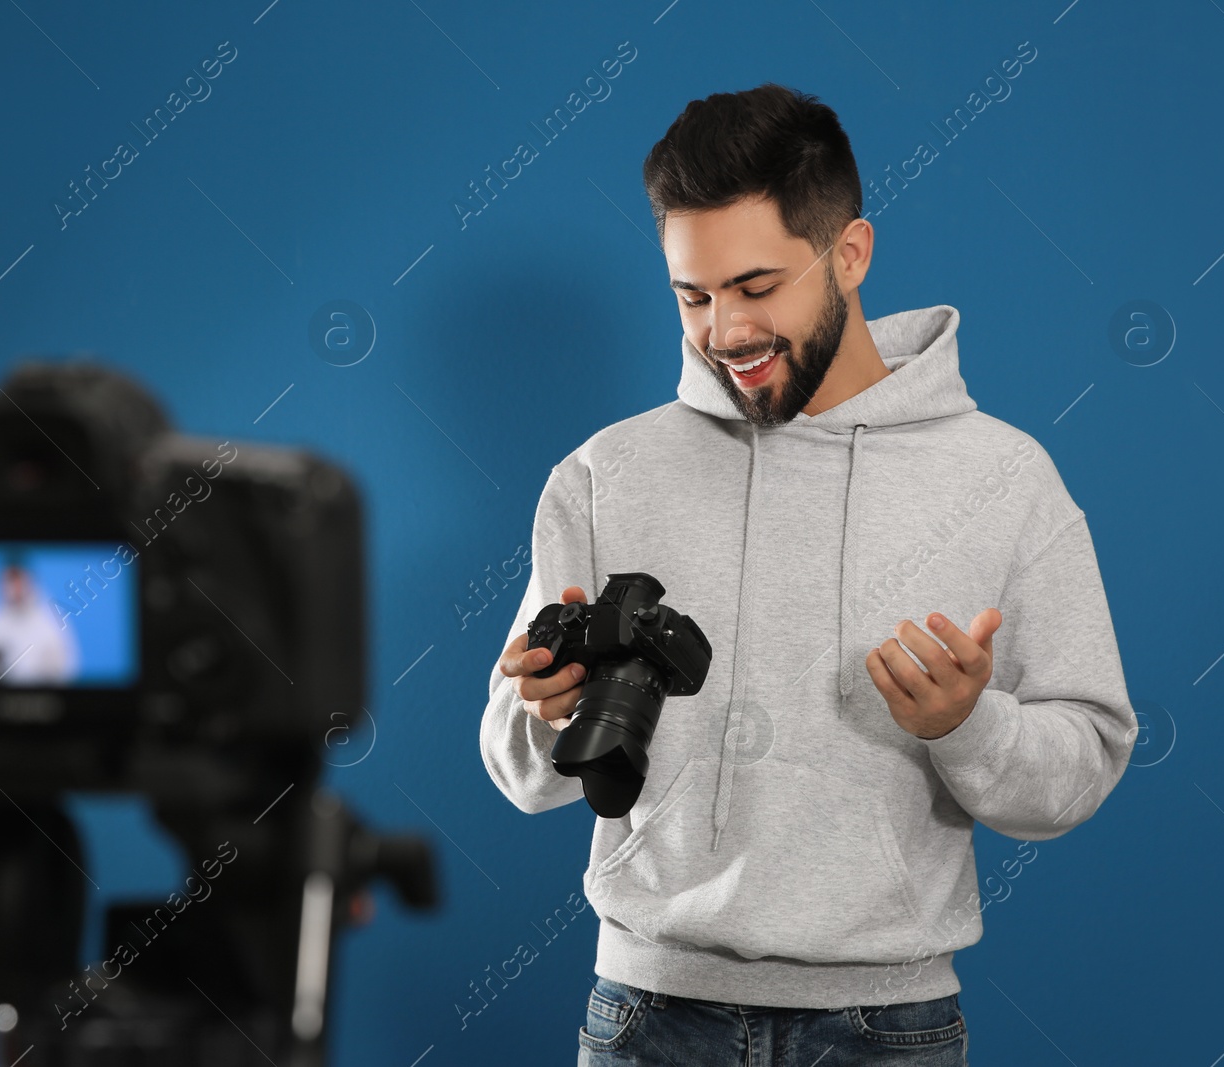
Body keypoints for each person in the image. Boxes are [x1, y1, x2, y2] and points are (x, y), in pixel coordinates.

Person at [478, 83, 1136, 1065]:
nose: (723, 331)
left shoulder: (1003, 478)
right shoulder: (603, 474)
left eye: (755, 286)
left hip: (889, 1030)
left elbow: (1084, 757)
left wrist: (968, 721)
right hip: (649, 1016)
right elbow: (522, 772)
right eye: (691, 295)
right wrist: (540, 709)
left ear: (851, 254)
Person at [0, 557, 80, 685]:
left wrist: (51, 669)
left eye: (18, 579)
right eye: (9, 580)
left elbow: (70, 668)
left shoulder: (52, 619)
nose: (14, 587)